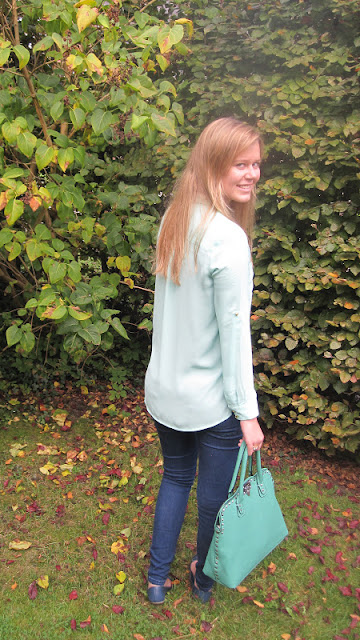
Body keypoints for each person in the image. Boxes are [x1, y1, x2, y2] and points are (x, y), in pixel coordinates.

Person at [144, 117, 265, 605]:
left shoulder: (175, 220)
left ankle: (157, 580)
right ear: (214, 164)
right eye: (241, 164)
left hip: (164, 389)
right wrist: (248, 415)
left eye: (256, 164)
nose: (252, 174)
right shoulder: (227, 238)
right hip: (210, 400)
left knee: (175, 478)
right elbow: (236, 337)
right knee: (213, 497)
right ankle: (204, 580)